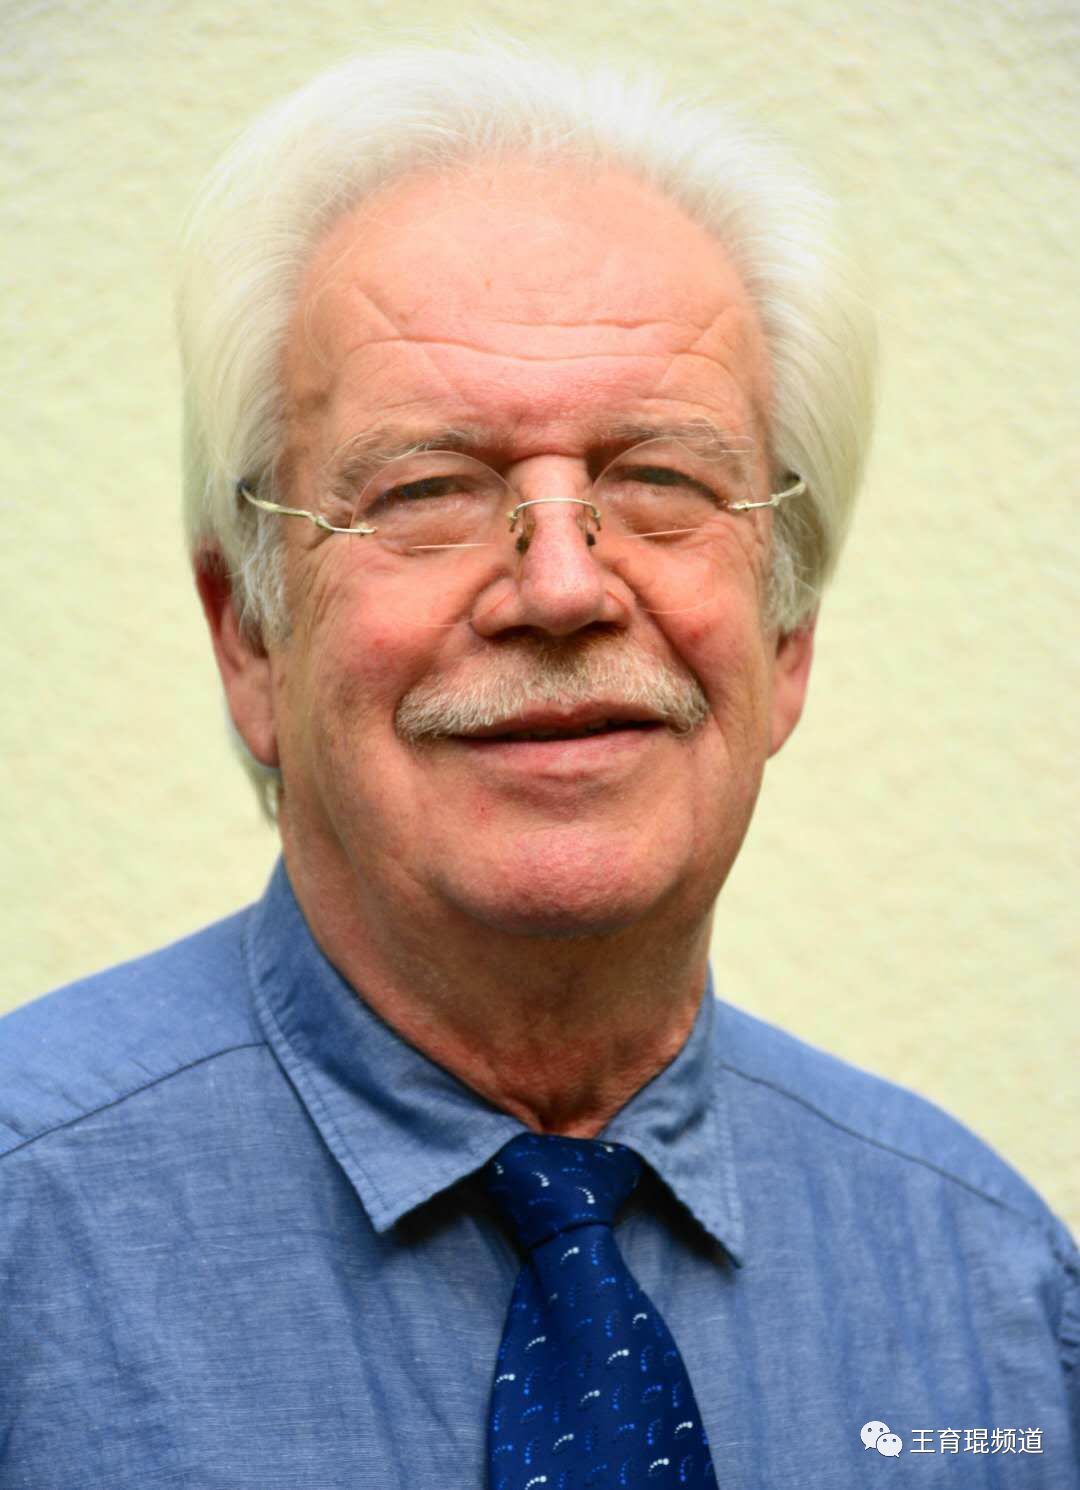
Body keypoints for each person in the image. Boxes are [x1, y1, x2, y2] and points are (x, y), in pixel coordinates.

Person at [1, 42, 1075, 1489]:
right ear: (249, 634)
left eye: (663, 483)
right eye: (428, 489)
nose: (564, 587)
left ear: (788, 636)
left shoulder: (1001, 1308)